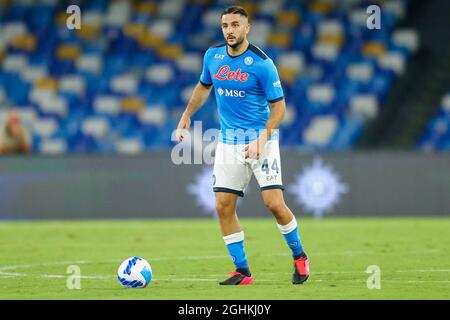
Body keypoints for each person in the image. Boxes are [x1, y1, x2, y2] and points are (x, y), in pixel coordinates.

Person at [176, 6, 309, 285]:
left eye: (235, 25)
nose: (230, 30)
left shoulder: (262, 63)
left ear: (247, 28)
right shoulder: (212, 56)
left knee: (273, 203)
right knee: (223, 205)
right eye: (225, 25)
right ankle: (242, 271)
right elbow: (203, 87)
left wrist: (262, 138)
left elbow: (280, 108)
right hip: (228, 142)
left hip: (262, 140)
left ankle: (299, 255)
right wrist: (187, 115)